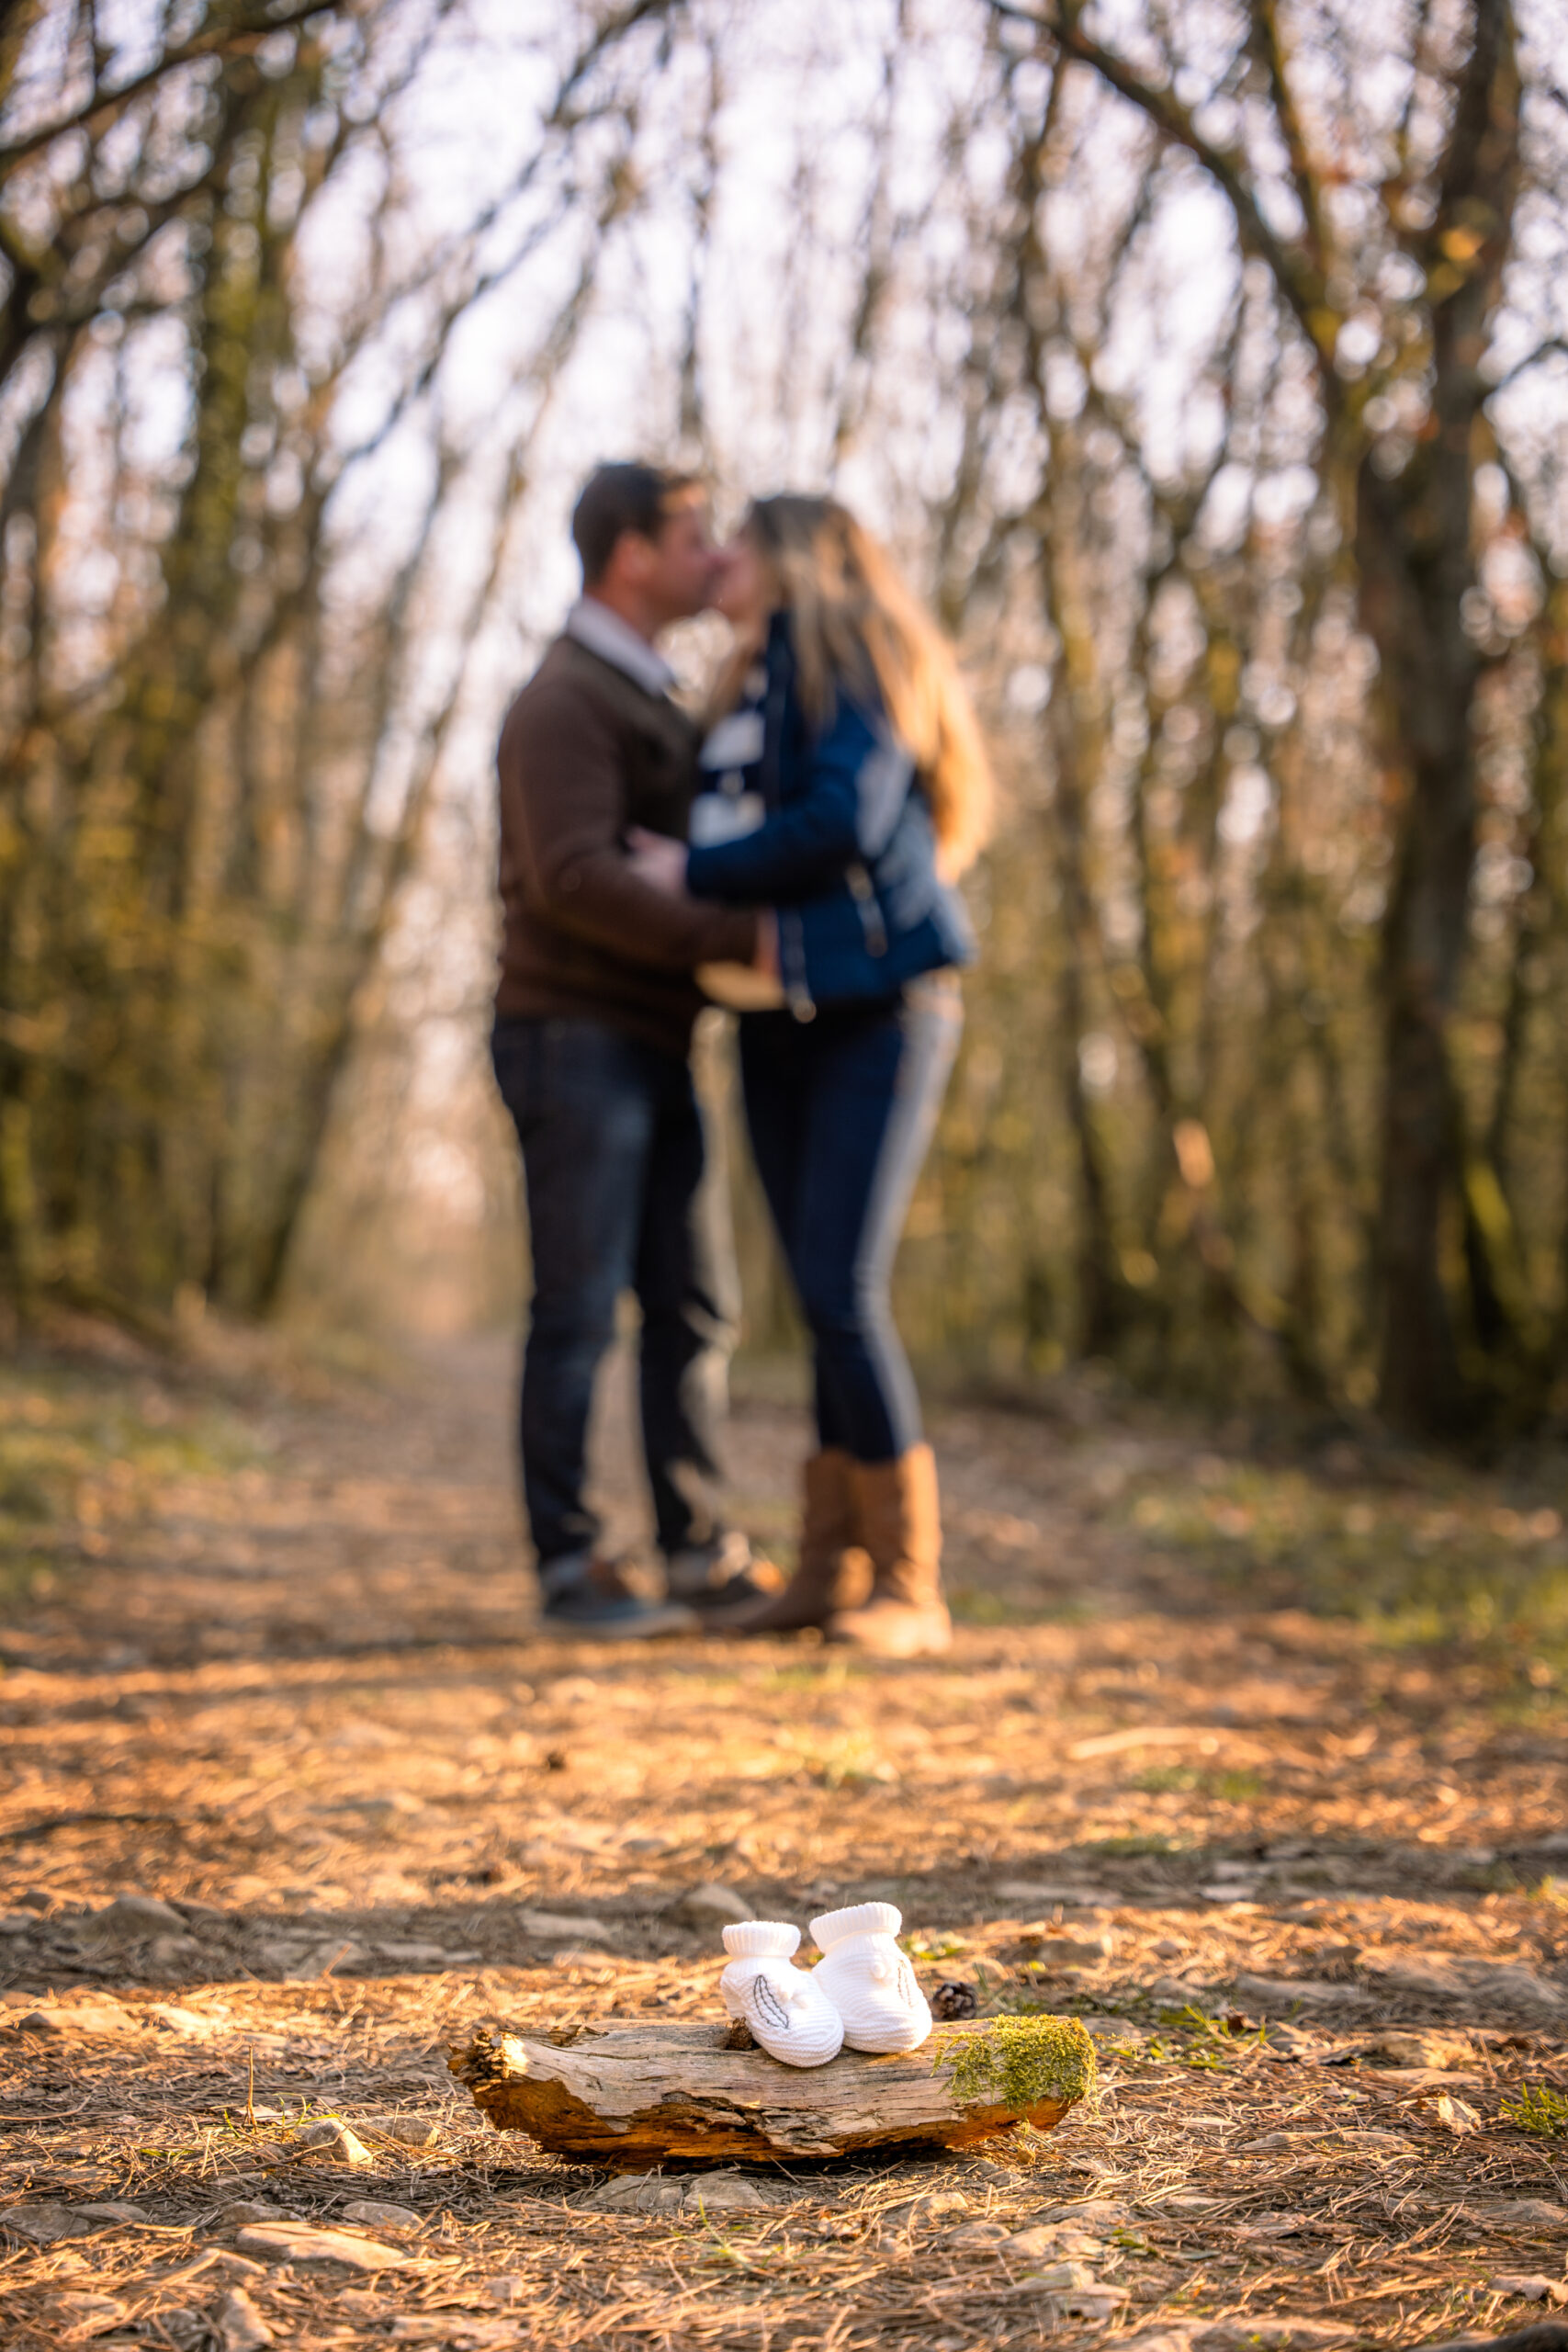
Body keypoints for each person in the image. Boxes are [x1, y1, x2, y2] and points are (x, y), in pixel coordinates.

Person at [629, 494, 994, 1657]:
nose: (721, 557)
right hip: (777, 1011)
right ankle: (833, 1567)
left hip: (880, 1004)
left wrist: (694, 870)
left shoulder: (865, 655)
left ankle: (910, 1583)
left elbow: (844, 814)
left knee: (844, 1288)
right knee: (812, 1293)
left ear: (796, 555)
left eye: (740, 538)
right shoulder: (752, 674)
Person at [491, 462, 780, 1637]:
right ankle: (572, 1567)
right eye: (694, 538)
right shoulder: (565, 700)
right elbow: (572, 877)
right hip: (574, 1038)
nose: (714, 560)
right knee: (579, 1306)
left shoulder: (656, 698)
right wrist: (744, 934)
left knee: (694, 1302)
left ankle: (696, 1547)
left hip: (656, 1041)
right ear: (629, 554)